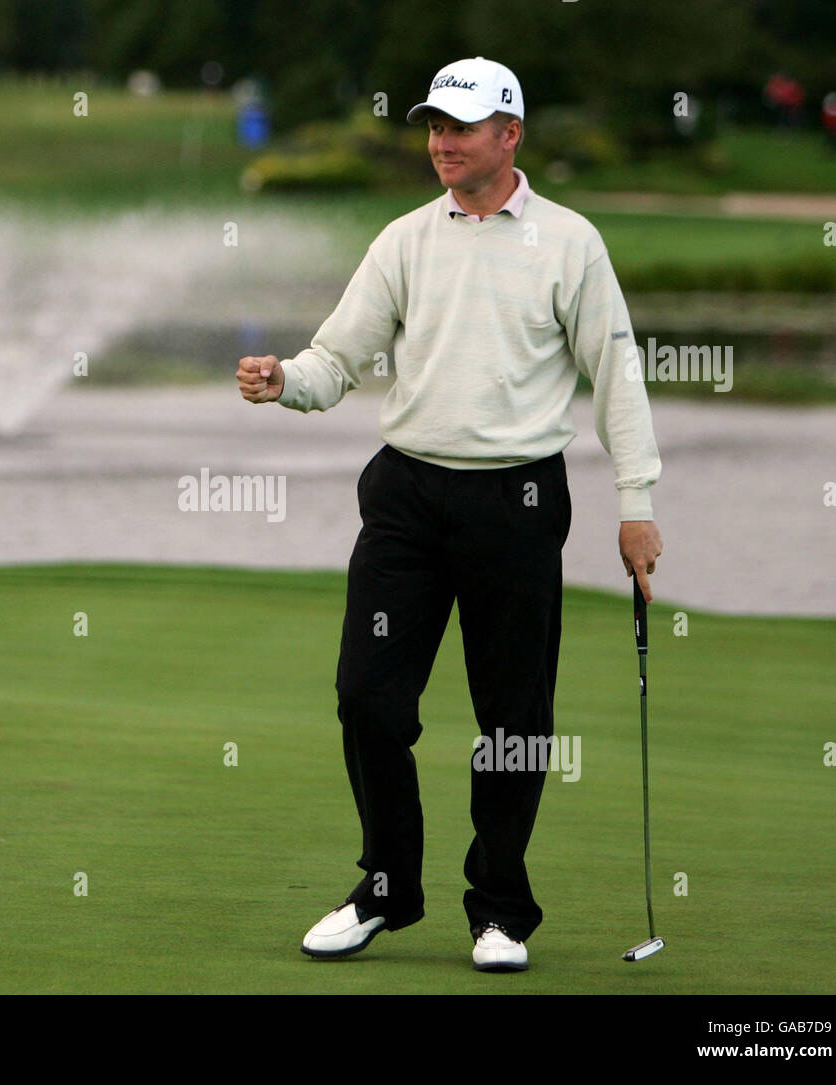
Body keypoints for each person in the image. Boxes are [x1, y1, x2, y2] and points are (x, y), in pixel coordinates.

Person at [235, 57, 663, 972]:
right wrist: (285, 384)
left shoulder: (570, 242)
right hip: (408, 496)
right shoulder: (404, 240)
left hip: (517, 498)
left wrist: (637, 502)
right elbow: (334, 359)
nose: (440, 141)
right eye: (433, 125)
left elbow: (617, 378)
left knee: (511, 717)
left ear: (509, 135)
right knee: (368, 699)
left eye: (460, 127)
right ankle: (386, 888)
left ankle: (501, 906)